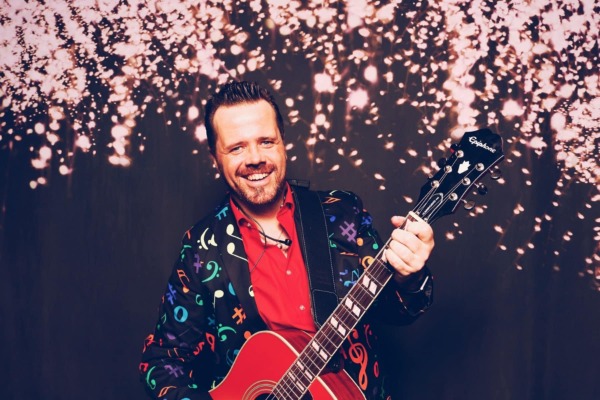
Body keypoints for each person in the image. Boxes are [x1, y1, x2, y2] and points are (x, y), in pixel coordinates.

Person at [139, 81, 435, 399]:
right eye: (237, 148)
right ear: (215, 158)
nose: (255, 158)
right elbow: (162, 362)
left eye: (266, 141)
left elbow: (395, 311)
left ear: (283, 143)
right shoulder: (200, 249)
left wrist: (409, 277)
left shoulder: (342, 214)